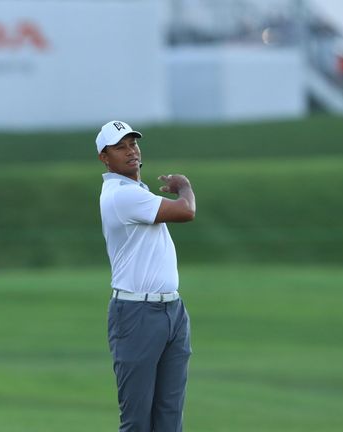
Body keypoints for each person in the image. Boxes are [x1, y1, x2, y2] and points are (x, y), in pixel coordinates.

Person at [96, 120, 196, 431]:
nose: (130, 152)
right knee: (138, 422)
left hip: (172, 312)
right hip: (137, 314)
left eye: (133, 144)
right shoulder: (120, 195)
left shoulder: (138, 192)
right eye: (120, 147)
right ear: (104, 157)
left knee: (169, 418)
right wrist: (185, 187)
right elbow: (186, 211)